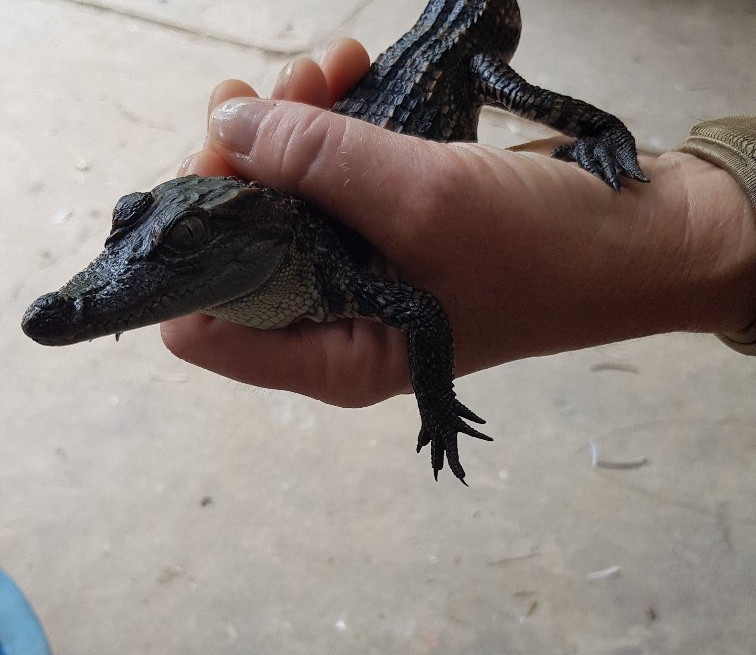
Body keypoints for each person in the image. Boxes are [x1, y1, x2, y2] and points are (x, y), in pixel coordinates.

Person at [162, 38, 756, 409]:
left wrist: (435, 399)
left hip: (462, 53)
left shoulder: (334, 276)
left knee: (492, 86)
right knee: (334, 82)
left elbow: (421, 311)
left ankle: (603, 130)